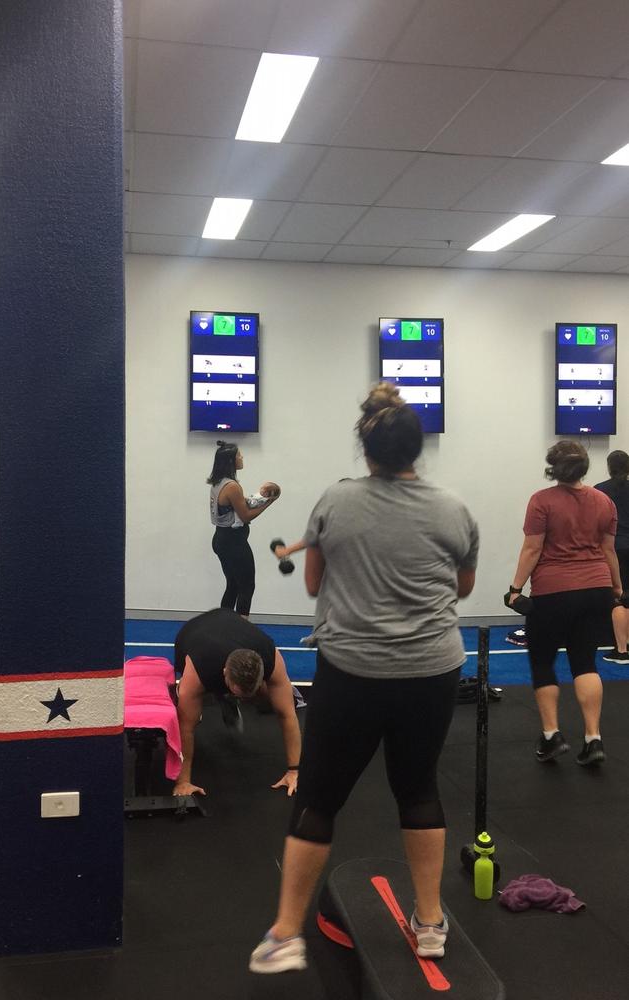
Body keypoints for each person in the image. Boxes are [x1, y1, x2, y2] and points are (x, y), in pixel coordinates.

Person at [250, 382, 479, 974]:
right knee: (420, 790)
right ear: (417, 450)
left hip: (351, 673)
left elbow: (311, 584)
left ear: (367, 448)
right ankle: (429, 925)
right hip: (430, 671)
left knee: (321, 799)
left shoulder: (336, 501)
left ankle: (284, 934)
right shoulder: (454, 509)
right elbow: (463, 588)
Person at [507, 440, 622, 768]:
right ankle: (593, 739)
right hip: (596, 588)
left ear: (552, 468)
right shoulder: (604, 502)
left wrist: (515, 589)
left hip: (553, 591)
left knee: (543, 662)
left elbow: (532, 549)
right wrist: (616, 587)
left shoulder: (541, 501)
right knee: (585, 662)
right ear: (584, 467)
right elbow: (608, 550)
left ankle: (551, 735)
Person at [172, 608, 301, 798]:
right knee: (189, 714)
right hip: (192, 634)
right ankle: (221, 695)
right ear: (224, 672)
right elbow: (185, 729)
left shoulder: (269, 656)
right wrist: (183, 782)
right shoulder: (198, 670)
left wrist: (294, 770)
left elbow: (287, 714)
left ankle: (231, 697)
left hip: (230, 621)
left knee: (276, 701)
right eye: (237, 693)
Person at [208, 440, 280, 617]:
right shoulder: (232, 486)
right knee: (247, 586)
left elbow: (240, 505)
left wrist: (260, 496)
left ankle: (224, 628)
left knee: (233, 585)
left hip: (221, 538)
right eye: (239, 455)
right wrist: (270, 502)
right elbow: (246, 515)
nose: (242, 457)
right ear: (232, 461)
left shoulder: (220, 482)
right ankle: (241, 630)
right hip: (233, 542)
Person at [595, 450, 629, 664]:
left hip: (613, 548)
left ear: (609, 467)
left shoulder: (599, 491)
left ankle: (622, 650)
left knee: (618, 596)